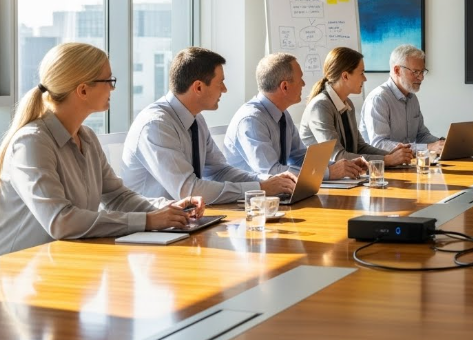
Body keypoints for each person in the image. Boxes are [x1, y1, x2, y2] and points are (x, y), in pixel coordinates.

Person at [0, 43, 204, 255]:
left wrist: (169, 208)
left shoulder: (86, 137)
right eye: (108, 81)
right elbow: (61, 220)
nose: (113, 88)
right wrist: (148, 221)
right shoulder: (31, 143)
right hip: (19, 274)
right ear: (83, 90)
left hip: (64, 264)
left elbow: (118, 197)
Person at [122, 47, 296, 204]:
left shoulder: (196, 119)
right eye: (220, 82)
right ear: (198, 87)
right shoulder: (156, 126)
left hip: (184, 221)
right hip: (153, 229)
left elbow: (219, 171)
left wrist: (265, 182)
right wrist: (260, 188)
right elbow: (189, 191)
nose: (225, 89)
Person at [224, 53, 365, 180]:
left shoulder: (282, 114)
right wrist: (328, 172)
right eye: (300, 79)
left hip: (279, 194)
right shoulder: (251, 120)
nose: (303, 84)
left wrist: (342, 166)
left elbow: (299, 157)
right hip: (251, 202)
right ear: (284, 87)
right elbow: (272, 172)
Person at [299, 47, 413, 166]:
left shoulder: (347, 104)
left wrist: (389, 154)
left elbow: (359, 147)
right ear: (345, 76)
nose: (365, 78)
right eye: (361, 73)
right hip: (323, 180)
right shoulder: (320, 107)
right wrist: (387, 160)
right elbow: (337, 156)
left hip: (346, 178)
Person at [360, 45, 444, 153]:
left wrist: (441, 143)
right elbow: (379, 144)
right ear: (397, 70)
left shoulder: (412, 98)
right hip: (381, 167)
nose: (421, 77)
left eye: (422, 71)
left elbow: (421, 135)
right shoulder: (378, 99)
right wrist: (428, 148)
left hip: (406, 164)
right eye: (415, 72)